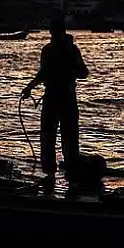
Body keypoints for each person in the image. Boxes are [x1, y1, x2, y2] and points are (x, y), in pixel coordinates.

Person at [21, 17, 88, 179]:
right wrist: (29, 87)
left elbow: (82, 72)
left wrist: (30, 87)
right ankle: (68, 176)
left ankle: (54, 174)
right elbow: (83, 73)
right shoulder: (68, 50)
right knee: (66, 138)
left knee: (53, 137)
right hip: (64, 99)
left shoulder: (53, 50)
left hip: (56, 99)